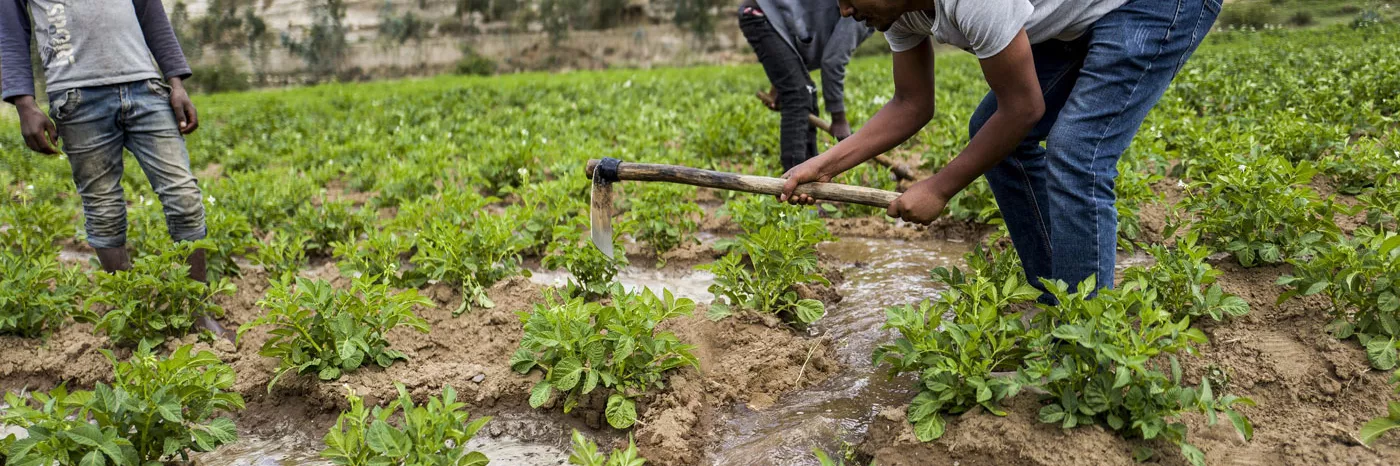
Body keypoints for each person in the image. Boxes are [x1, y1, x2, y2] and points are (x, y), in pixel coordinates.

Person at [780, 0, 1220, 294]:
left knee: (1077, 153)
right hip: (1085, 15)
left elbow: (1024, 107)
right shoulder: (900, 11)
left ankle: (1089, 342)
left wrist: (939, 188)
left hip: (1155, 6)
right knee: (992, 135)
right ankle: (1059, 296)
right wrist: (823, 167)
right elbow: (910, 103)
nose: (843, 9)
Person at [1, 0, 226, 336]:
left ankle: (198, 313)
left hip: (146, 88)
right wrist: (24, 102)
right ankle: (132, 314)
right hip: (77, 97)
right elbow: (9, 33)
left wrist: (176, 82)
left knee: (184, 197)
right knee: (103, 207)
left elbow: (152, 14)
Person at [739, 0, 873, 171]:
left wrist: (779, 85)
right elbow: (833, 61)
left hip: (770, 16)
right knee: (799, 95)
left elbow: (799, 40)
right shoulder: (863, 10)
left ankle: (810, 180)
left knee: (805, 92)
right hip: (763, 14)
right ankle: (794, 184)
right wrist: (838, 119)